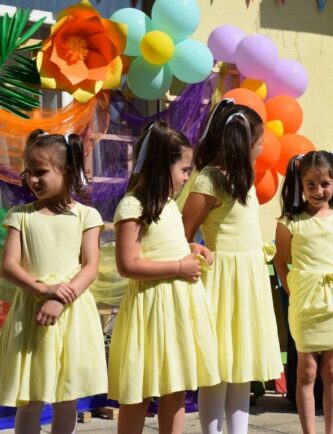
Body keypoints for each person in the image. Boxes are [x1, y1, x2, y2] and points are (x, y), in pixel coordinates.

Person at [107, 121, 220, 434]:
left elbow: (165, 245)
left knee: (175, 387)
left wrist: (192, 248)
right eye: (183, 169)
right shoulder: (133, 206)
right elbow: (128, 264)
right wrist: (179, 267)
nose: (186, 177)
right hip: (149, 310)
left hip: (176, 310)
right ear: (161, 165)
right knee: (139, 391)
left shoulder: (169, 205)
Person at [182, 104, 283, 434]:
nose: (263, 147)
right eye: (260, 141)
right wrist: (194, 249)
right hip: (222, 281)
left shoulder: (244, 179)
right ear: (244, 142)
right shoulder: (209, 180)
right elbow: (182, 234)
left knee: (242, 367)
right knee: (218, 369)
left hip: (248, 280)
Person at [0, 130, 106, 434]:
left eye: (41, 172)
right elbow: (9, 266)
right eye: (29, 172)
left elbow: (90, 267)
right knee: (30, 398)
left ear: (67, 170)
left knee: (66, 398)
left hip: (71, 315)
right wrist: (44, 289)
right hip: (32, 317)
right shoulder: (20, 216)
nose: (33, 179)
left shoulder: (87, 216)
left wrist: (60, 299)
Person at [274, 150, 333, 434]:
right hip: (304, 305)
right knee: (307, 371)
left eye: (324, 184)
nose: (318, 191)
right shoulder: (291, 222)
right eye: (310, 184)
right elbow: (280, 260)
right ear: (301, 182)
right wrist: (293, 290)